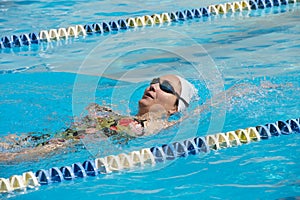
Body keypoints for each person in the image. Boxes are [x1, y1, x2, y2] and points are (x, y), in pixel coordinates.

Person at [0, 74, 197, 162]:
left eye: (166, 88)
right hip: (50, 137)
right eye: (154, 82)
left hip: (60, 148)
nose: (153, 87)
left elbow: (204, 109)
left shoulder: (162, 125)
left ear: (174, 108)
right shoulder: (121, 115)